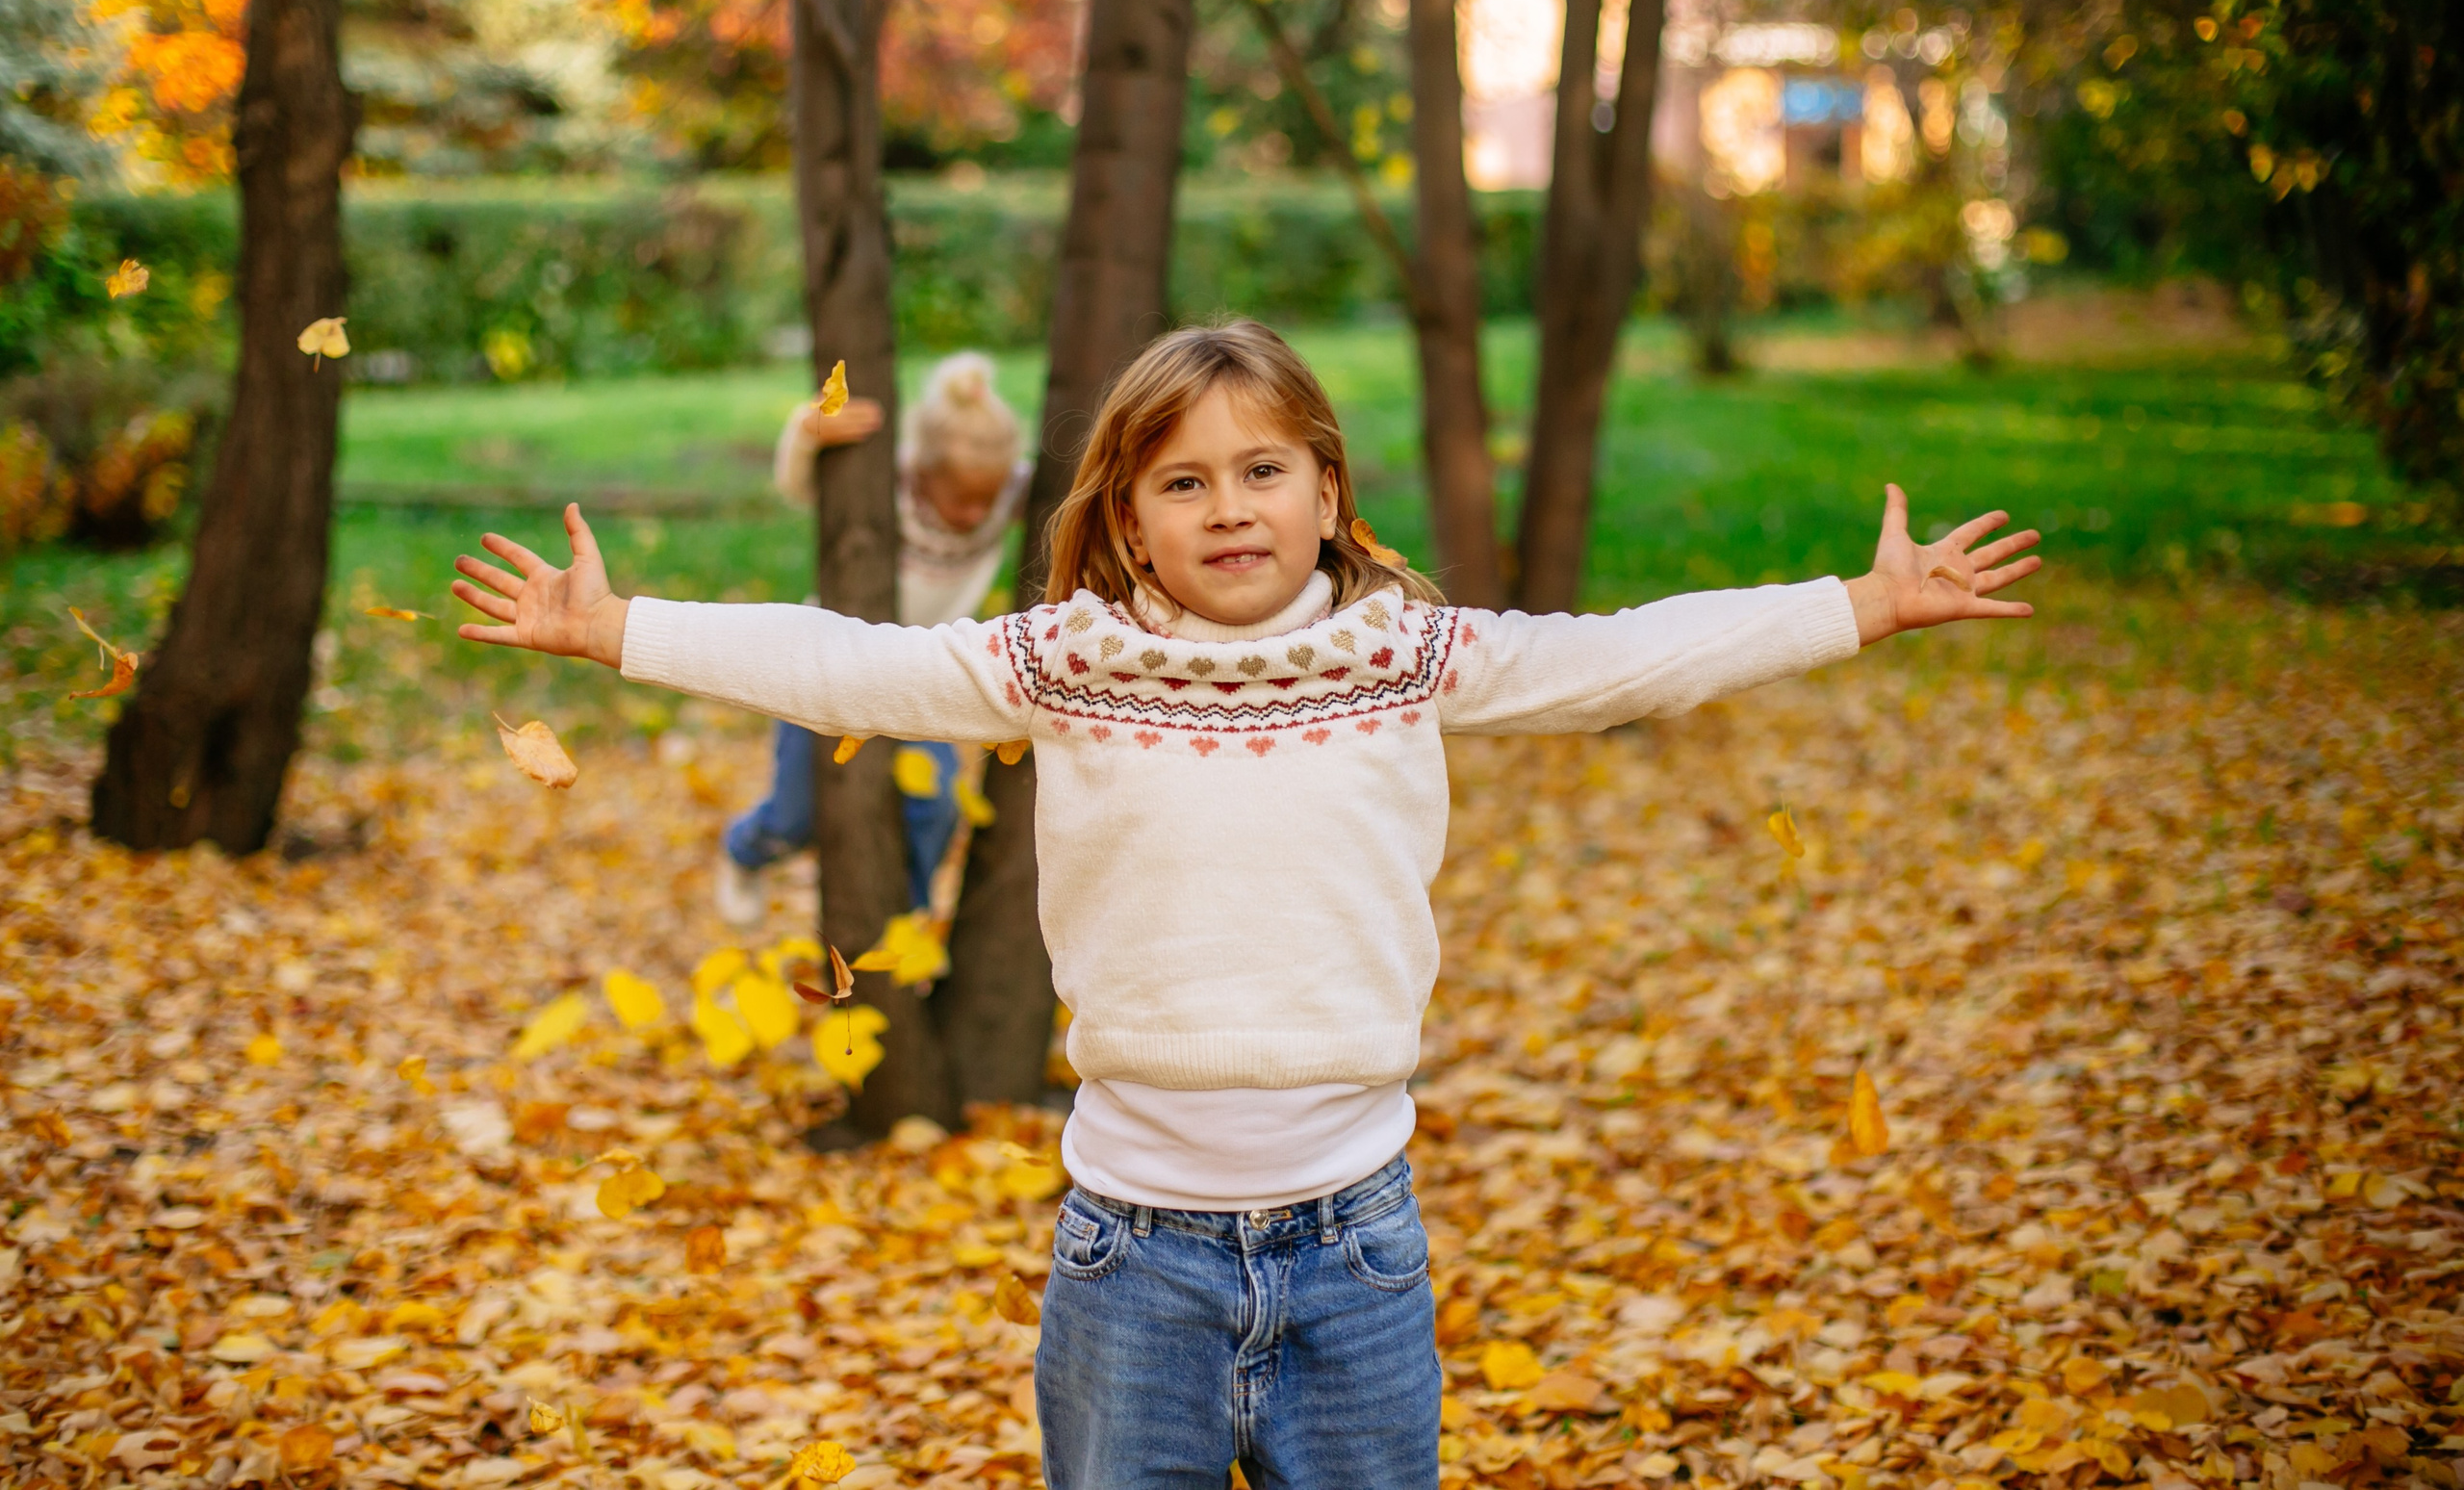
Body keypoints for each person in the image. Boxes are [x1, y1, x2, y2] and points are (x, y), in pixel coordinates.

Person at [449, 320, 2040, 1489]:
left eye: (1264, 469)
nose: (1229, 506)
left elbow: (1620, 656)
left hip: (1357, 1240)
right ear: (1129, 512)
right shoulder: (1069, 661)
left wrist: (1857, 604)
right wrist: (623, 631)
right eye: (1186, 479)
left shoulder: (1406, 652)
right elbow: (849, 661)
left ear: (1327, 485)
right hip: (1131, 1253)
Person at [713, 351, 1028, 926]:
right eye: (962, 498)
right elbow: (799, 483)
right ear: (924, 470)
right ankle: (744, 850)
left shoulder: (1005, 491)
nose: (977, 512)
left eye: (989, 498)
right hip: (822, 658)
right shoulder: (893, 483)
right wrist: (807, 431)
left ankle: (906, 915)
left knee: (934, 807)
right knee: (794, 815)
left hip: (920, 673)